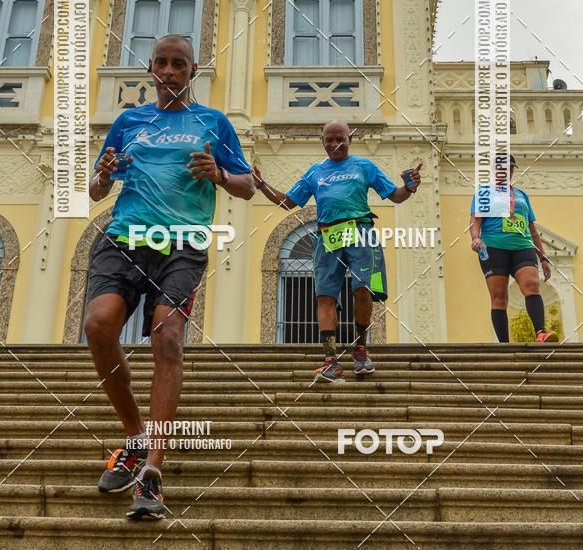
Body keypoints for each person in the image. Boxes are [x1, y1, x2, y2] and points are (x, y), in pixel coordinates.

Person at [85, 34, 254, 519]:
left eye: (179, 63)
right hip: (124, 236)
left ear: (192, 70)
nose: (169, 70)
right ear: (151, 70)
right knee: (99, 324)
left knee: (168, 334)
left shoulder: (213, 123)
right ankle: (135, 436)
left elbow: (246, 185)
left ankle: (152, 470)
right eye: (161, 63)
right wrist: (102, 174)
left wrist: (219, 175)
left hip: (182, 243)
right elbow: (98, 189)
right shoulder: (129, 122)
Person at [253, 120, 421, 383]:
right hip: (327, 236)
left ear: (349, 139)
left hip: (360, 231)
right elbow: (288, 202)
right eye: (329, 140)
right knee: (324, 296)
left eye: (340, 138)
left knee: (362, 289)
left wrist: (409, 187)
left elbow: (395, 196)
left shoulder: (364, 166)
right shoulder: (315, 172)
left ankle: (361, 350)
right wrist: (261, 185)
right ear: (322, 141)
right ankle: (331, 361)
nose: (334, 144)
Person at [470, 154, 557, 344]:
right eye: (501, 168)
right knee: (499, 297)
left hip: (523, 246)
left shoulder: (521, 195)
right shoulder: (484, 192)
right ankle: (504, 345)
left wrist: (543, 258)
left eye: (509, 168)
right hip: (494, 247)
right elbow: (475, 220)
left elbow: (532, 229)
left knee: (532, 286)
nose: (506, 171)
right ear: (494, 170)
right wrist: (476, 238)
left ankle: (540, 333)